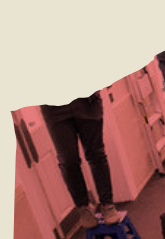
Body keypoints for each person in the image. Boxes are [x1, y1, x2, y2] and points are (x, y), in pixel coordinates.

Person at [40, 93, 120, 228]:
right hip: (54, 106)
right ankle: (83, 207)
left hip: (85, 100)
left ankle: (107, 204)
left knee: (96, 154)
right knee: (68, 159)